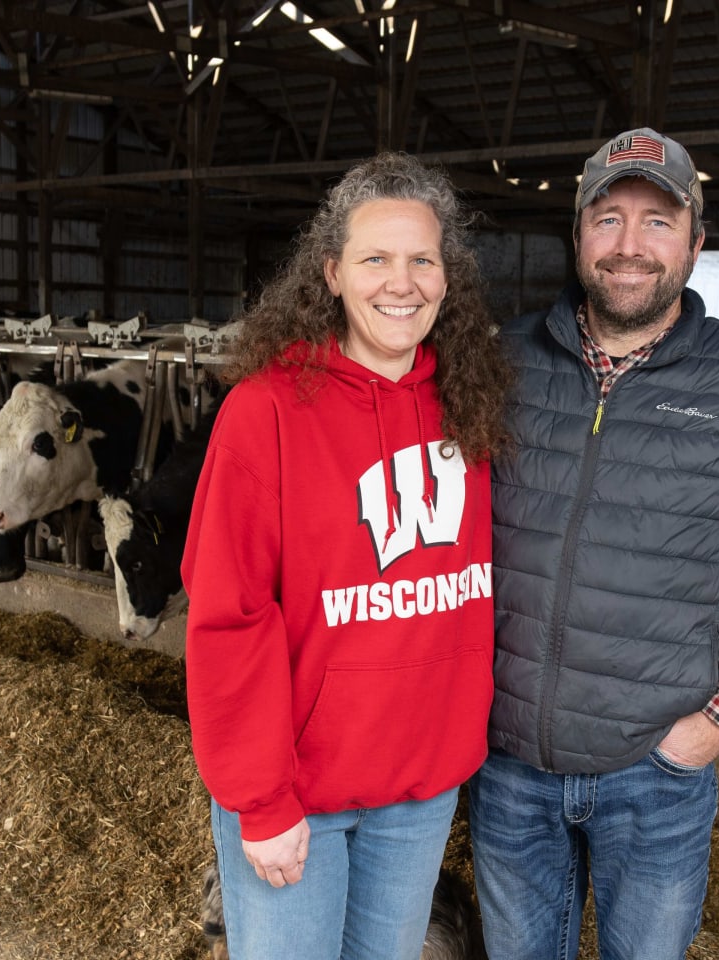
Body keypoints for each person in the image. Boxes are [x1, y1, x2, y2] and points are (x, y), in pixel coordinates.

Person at [470, 127, 719, 959]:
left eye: (657, 222)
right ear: (577, 236)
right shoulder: (502, 365)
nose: (629, 246)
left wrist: (718, 725)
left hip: (654, 773)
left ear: (695, 241)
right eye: (607, 219)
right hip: (505, 770)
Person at [181, 152, 510, 960]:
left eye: (422, 260)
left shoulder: (468, 404)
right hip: (301, 793)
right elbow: (230, 612)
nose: (401, 283)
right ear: (330, 273)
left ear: (447, 276)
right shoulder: (265, 412)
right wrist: (261, 800)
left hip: (420, 790)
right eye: (375, 259)